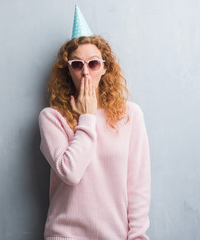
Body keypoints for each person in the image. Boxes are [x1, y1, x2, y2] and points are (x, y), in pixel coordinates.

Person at [38, 5, 151, 240]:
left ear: (104, 68)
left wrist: (138, 236)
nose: (86, 72)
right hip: (64, 235)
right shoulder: (52, 117)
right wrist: (87, 118)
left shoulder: (130, 115)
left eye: (93, 63)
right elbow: (71, 173)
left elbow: (138, 186)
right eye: (77, 64)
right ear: (68, 71)